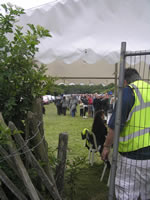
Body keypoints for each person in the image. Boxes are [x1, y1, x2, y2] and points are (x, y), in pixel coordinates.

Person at [101, 68, 150, 200]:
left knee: (126, 194)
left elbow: (114, 127)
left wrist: (106, 147)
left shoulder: (129, 92)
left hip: (131, 156)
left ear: (124, 81)